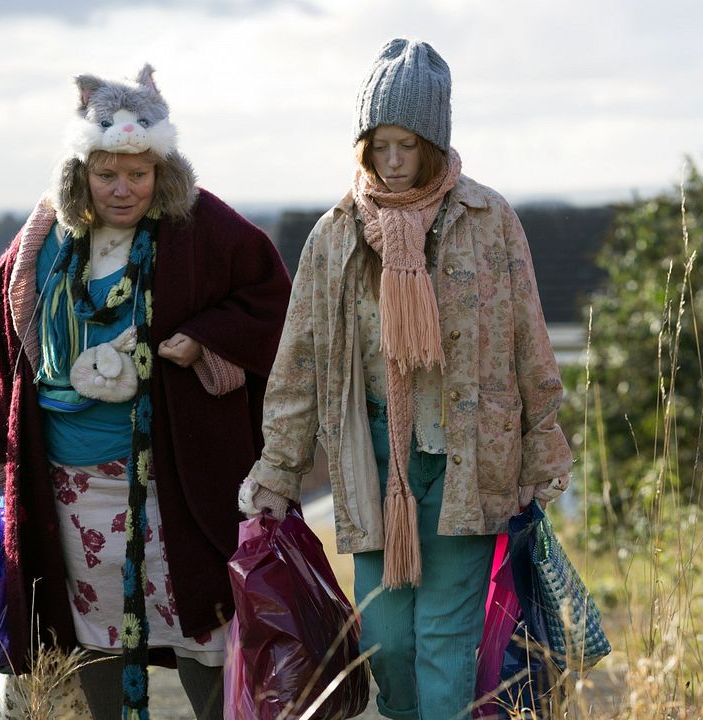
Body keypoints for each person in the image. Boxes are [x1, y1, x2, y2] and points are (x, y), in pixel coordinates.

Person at [238, 38, 574, 720]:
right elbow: (299, 362)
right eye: (379, 146)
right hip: (372, 463)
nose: (392, 162)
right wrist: (278, 470)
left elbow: (528, 339)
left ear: (433, 143)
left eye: (408, 146)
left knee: (445, 640)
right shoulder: (335, 235)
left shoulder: (488, 220)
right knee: (388, 644)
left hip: (469, 457)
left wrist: (542, 447)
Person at [0, 63, 290, 720]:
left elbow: (272, 298)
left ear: (160, 171)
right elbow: (5, 341)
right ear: (79, 171)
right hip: (70, 483)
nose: (123, 189)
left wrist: (205, 338)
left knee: (204, 622)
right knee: (92, 627)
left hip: (176, 477)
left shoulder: (203, 225)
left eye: (138, 174)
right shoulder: (43, 241)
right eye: (106, 174)